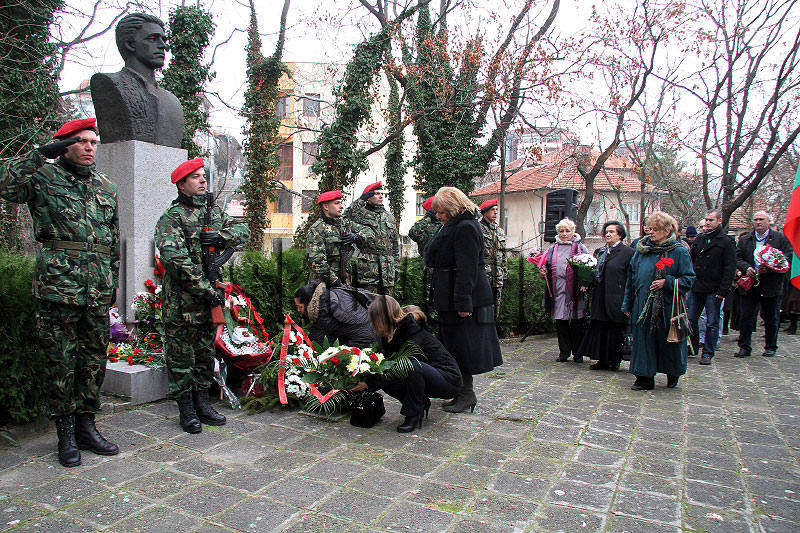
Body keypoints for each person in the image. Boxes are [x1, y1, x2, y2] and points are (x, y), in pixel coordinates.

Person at [0, 118, 120, 467]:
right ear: (64, 145)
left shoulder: (106, 186)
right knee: (61, 362)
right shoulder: (43, 177)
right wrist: (39, 154)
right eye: (81, 141)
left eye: (93, 142)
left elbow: (113, 239)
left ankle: (87, 427)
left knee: (93, 361)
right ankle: (65, 435)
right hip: (58, 286)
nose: (89, 147)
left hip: (97, 288)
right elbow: (5, 184)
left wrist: (112, 280)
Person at [154, 158, 250, 433]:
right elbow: (174, 259)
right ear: (181, 184)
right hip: (182, 302)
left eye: (202, 175)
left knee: (205, 354)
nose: (203, 180)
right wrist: (206, 289)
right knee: (181, 357)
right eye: (195, 177)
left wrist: (221, 237)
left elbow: (243, 230)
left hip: (209, 300)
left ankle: (202, 403)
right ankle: (186, 409)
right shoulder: (172, 217)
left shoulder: (214, 213)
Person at [424, 186, 502, 413]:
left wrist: (463, 303)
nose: (438, 216)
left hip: (463, 299)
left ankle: (466, 394)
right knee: (453, 347)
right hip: (451, 297)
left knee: (462, 348)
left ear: (453, 208)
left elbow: (467, 269)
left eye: (441, 212)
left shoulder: (465, 227)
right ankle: (460, 391)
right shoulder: (453, 225)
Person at [351, 296, 461, 432]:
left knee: (410, 365)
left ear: (381, 318)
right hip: (425, 376)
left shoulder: (412, 331)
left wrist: (369, 384)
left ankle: (414, 414)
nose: (372, 323)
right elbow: (386, 364)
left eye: (373, 319)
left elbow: (402, 365)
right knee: (386, 378)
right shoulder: (391, 333)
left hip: (448, 379)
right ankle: (421, 403)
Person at [622, 211, 695, 390]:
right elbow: (631, 278)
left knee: (669, 342)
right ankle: (644, 377)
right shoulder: (641, 250)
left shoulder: (678, 251)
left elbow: (688, 279)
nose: (651, 232)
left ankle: (673, 372)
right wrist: (627, 303)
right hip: (643, 305)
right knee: (643, 340)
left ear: (667, 230)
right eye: (650, 228)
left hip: (669, 307)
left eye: (656, 229)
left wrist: (667, 282)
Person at [90, 13, 183, 147]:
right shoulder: (108, 83)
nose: (163, 46)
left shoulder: (173, 101)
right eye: (153, 39)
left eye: (163, 40)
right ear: (130, 44)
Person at [734, 211, 793, 358]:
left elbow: (788, 257)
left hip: (771, 284)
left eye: (761, 219)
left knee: (771, 317)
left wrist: (772, 267)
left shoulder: (780, 238)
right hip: (750, 284)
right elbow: (737, 257)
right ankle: (744, 347)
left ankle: (771, 347)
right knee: (746, 317)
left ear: (768, 221)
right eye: (755, 219)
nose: (758, 222)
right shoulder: (746, 239)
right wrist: (746, 267)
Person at [576, 221, 634, 371]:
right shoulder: (601, 252)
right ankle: (601, 359)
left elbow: (630, 277)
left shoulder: (628, 252)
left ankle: (614, 360)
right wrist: (587, 283)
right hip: (600, 297)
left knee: (614, 330)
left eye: (612, 232)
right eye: (606, 232)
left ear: (620, 235)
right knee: (600, 328)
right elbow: (594, 272)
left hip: (616, 297)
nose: (608, 234)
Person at [688, 210, 736, 365]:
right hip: (697, 287)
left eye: (711, 220)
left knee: (712, 322)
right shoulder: (700, 239)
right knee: (691, 319)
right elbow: (693, 261)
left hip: (714, 288)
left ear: (719, 221)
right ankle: (693, 346)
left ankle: (708, 352)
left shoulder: (726, 242)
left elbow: (730, 267)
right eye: (706, 220)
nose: (707, 223)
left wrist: (723, 290)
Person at [540, 218, 589, 362]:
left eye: (567, 231)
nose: (564, 234)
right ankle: (564, 352)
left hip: (575, 290)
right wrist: (543, 271)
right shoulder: (552, 248)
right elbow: (546, 265)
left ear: (573, 231)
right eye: (561, 231)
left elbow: (589, 265)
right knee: (561, 322)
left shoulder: (580, 247)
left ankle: (578, 353)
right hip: (558, 288)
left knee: (576, 322)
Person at [344, 181, 400, 294]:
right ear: (368, 197)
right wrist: (361, 200)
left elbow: (394, 245)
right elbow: (345, 217)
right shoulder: (361, 214)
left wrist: (396, 268)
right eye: (377, 194)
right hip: (368, 269)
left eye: (382, 194)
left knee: (387, 303)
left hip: (387, 269)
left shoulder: (389, 217)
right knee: (369, 301)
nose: (381, 196)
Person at [293, 280, 379, 347]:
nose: (298, 310)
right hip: (377, 330)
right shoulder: (335, 292)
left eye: (300, 307)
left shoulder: (322, 312)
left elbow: (316, 343)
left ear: (308, 302)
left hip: (365, 342)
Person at [305, 190, 362, 286]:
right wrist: (335, 281)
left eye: (341, 203)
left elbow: (368, 232)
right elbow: (316, 262)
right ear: (326, 207)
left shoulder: (344, 225)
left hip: (344, 281)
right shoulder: (317, 229)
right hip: (323, 284)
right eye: (337, 203)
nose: (341, 206)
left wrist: (357, 237)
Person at [479, 199, 509, 311]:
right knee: (482, 308)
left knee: (496, 308)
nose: (496, 212)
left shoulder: (499, 231)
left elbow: (503, 254)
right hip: (484, 274)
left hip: (497, 275)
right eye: (492, 210)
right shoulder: (478, 229)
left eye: (497, 209)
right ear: (485, 212)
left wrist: (505, 275)